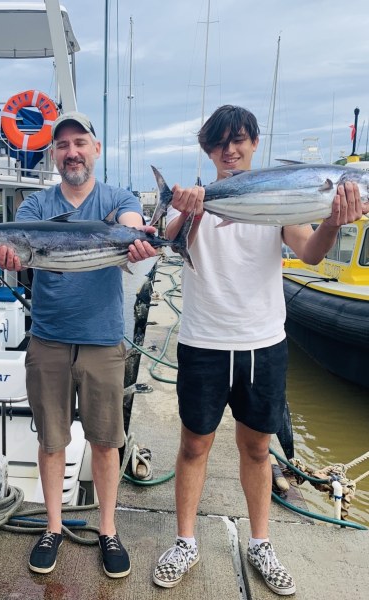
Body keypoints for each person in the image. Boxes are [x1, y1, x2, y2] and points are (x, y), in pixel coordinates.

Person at [153, 105, 366, 595]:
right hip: (203, 343)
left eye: (241, 140)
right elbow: (168, 241)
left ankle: (261, 543)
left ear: (253, 144)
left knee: (257, 448)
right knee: (193, 446)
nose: (231, 150)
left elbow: (311, 253)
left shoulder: (278, 198)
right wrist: (184, 207)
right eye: (221, 142)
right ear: (207, 150)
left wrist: (335, 221)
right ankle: (185, 541)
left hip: (263, 344)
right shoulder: (197, 198)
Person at [0, 111, 158, 578]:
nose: (72, 152)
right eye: (62, 145)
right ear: (53, 156)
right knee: (52, 441)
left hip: (104, 340)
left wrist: (140, 236)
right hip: (48, 340)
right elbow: (19, 254)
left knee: (106, 442)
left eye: (80, 142)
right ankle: (53, 526)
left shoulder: (117, 197)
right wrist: (6, 257)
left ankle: (108, 529)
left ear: (95, 149)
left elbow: (131, 220)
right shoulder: (34, 208)